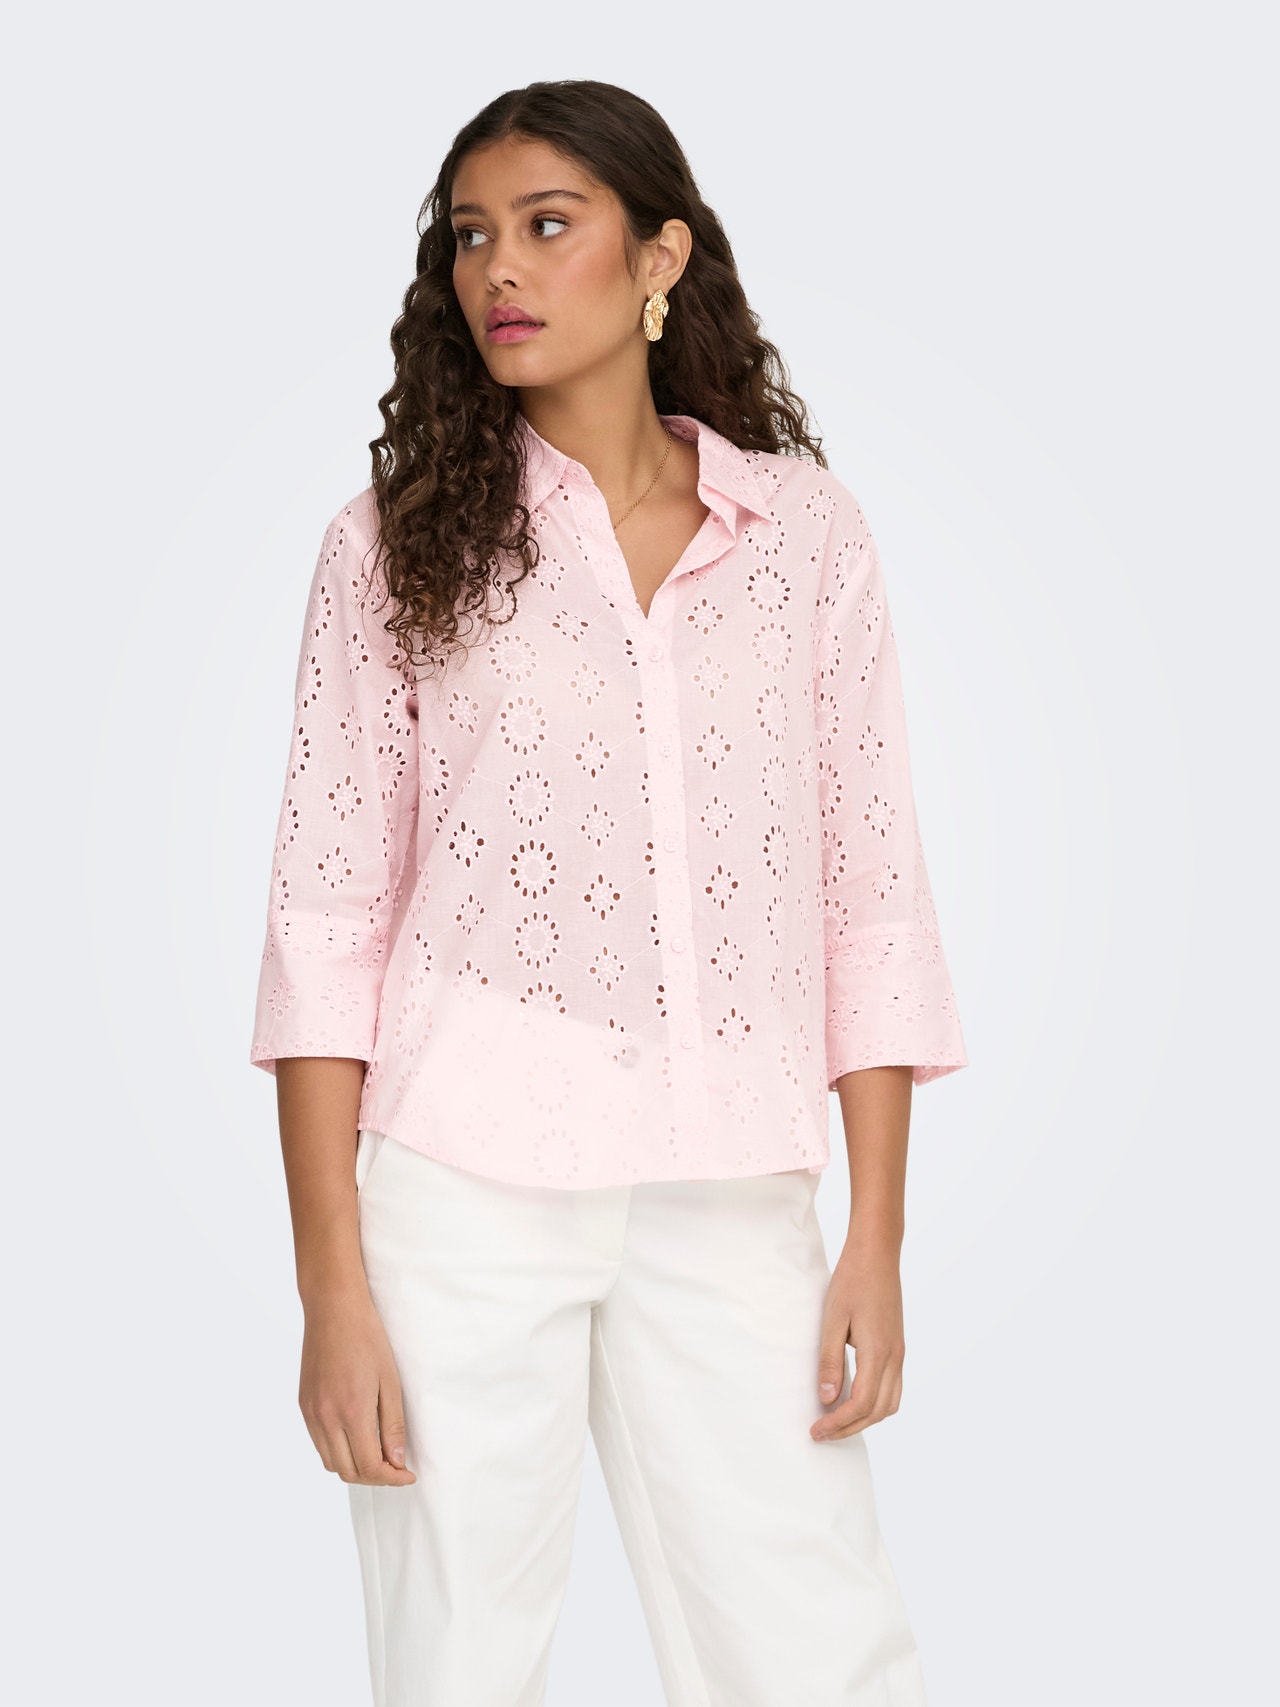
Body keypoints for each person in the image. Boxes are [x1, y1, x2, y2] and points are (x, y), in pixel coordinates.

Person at [249, 77, 968, 1707]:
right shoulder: (391, 549)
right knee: (456, 1666)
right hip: (462, 1187)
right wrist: (331, 1286)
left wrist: (876, 1235)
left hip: (732, 1184)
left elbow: (871, 894)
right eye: (469, 237)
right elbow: (325, 926)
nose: (498, 267)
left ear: (660, 256)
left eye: (546, 225)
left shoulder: (805, 540)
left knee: (822, 1653)